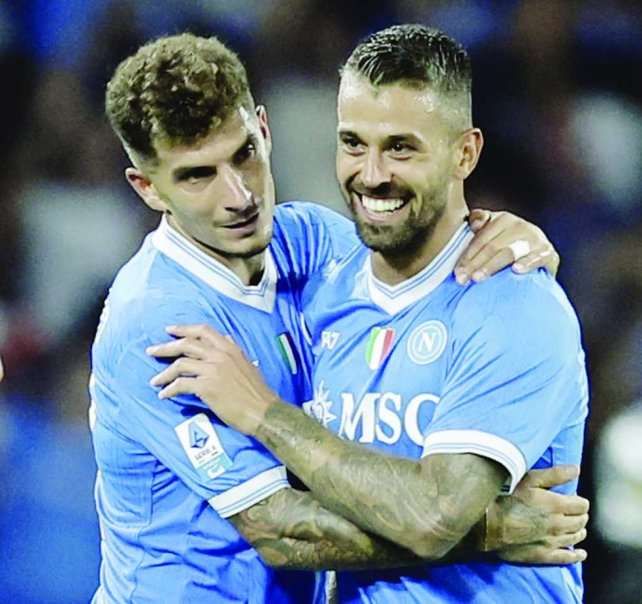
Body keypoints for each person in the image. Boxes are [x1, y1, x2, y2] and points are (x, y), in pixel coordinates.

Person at [94, 33, 586, 604]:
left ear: (264, 129)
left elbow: (410, 244)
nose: (238, 195)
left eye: (244, 154)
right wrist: (491, 529)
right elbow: (281, 530)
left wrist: (516, 246)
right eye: (197, 175)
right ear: (148, 188)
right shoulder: (157, 325)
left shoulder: (311, 247)